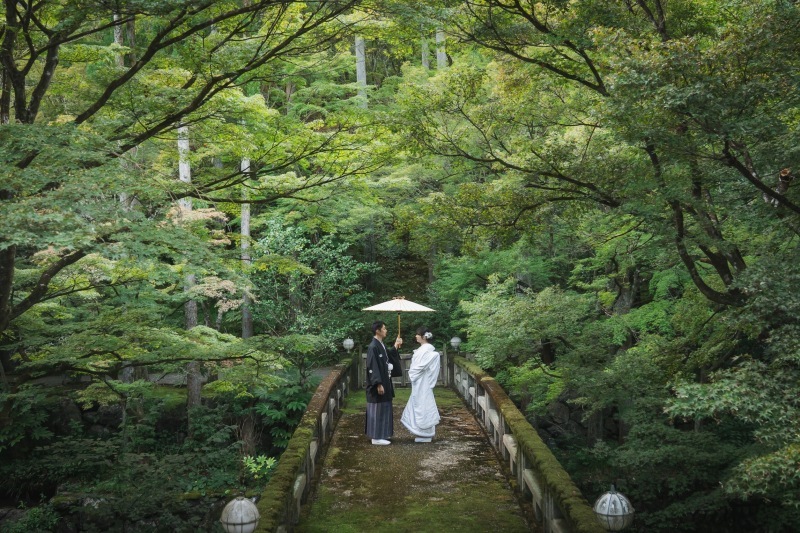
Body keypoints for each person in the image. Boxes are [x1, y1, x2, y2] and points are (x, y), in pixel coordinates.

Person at [401, 326, 441, 443]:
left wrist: (413, 372)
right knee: (420, 403)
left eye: (418, 334)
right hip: (420, 381)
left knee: (423, 403)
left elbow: (420, 367)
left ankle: (425, 432)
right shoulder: (424, 350)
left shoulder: (428, 351)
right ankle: (422, 432)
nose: (416, 336)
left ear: (424, 337)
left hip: (423, 381)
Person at [365, 321, 402, 445]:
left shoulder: (380, 344)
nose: (386, 330)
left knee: (384, 406)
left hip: (385, 380)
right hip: (378, 383)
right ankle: (376, 437)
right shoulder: (373, 347)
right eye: (384, 329)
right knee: (377, 408)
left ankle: (382, 434)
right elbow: (372, 367)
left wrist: (396, 345)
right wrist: (378, 384)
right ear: (378, 331)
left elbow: (389, 356)